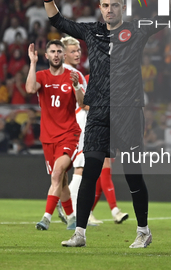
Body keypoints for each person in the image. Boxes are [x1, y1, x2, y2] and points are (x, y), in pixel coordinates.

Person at [42, 0, 166, 248]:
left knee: (133, 174)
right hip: (98, 111)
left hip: (129, 110)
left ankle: (144, 231)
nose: (110, 9)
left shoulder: (136, 30)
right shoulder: (91, 31)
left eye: (115, 5)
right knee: (91, 171)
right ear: (100, 8)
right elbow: (58, 22)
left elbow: (165, 18)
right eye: (106, 5)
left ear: (123, 8)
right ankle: (80, 233)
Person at [59, 36, 128, 226]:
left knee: (81, 169)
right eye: (73, 51)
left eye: (79, 51)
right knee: (80, 169)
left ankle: (75, 211)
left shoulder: (73, 74)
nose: (78, 54)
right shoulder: (74, 75)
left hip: (75, 122)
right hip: (79, 124)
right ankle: (70, 210)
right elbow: (83, 103)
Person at [25, 40, 85, 231]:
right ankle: (72, 217)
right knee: (62, 181)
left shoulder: (73, 76)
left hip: (69, 133)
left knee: (58, 173)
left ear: (63, 55)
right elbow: (29, 89)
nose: (56, 54)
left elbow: (83, 103)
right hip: (48, 137)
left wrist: (76, 87)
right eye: (53, 51)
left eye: (59, 51)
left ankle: (46, 218)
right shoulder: (41, 76)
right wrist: (32, 63)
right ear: (47, 56)